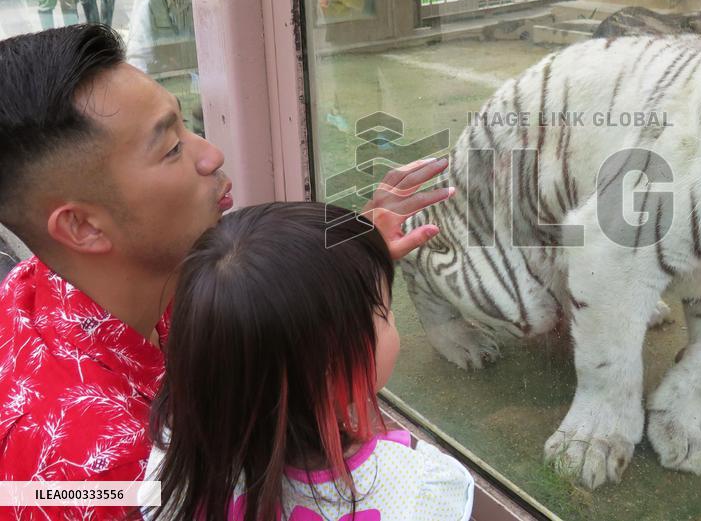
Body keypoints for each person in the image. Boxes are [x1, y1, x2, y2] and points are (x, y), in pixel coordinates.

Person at [0, 24, 452, 518]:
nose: (211, 154)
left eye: (186, 125)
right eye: (171, 148)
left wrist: (343, 262)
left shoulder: (77, 277)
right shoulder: (104, 477)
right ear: (83, 226)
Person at [145, 202, 473, 521]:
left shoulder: (176, 462)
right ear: (329, 366)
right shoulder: (420, 489)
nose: (394, 318)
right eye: (385, 312)